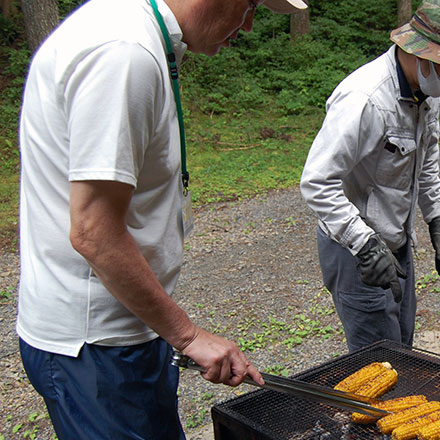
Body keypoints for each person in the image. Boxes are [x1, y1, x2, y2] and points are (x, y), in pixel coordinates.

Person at [16, 0, 306, 438]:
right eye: (249, 7)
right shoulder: (123, 51)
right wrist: (188, 336)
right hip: (95, 347)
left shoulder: (133, 32)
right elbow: (93, 233)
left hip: (127, 329)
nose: (247, 26)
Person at [299, 0, 440, 352]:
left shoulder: (427, 92)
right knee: (378, 357)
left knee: (401, 347)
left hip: (396, 240)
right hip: (355, 248)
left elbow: (427, 161)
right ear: (425, 56)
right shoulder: (365, 99)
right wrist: (365, 245)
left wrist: (436, 220)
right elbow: (316, 181)